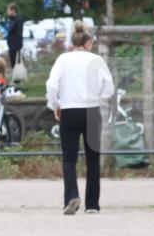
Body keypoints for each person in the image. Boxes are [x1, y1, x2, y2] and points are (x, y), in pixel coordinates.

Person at [46, 21, 113, 215]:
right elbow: (109, 87)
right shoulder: (96, 60)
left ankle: (71, 197)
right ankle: (92, 204)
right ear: (89, 42)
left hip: (69, 110)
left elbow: (51, 85)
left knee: (69, 157)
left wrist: (55, 104)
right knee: (93, 157)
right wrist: (96, 96)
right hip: (91, 111)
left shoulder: (63, 59)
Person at [5, 2, 25, 69]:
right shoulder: (11, 20)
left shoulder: (18, 20)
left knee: (16, 62)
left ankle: (18, 76)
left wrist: (18, 45)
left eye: (8, 10)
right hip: (11, 45)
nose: (7, 12)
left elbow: (18, 33)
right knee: (12, 61)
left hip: (15, 45)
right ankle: (15, 75)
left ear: (13, 10)